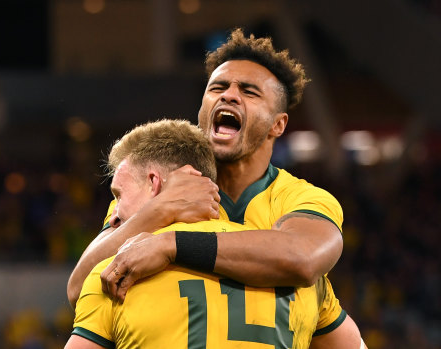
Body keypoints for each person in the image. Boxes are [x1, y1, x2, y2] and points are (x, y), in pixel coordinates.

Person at [67, 28, 366, 348]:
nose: (229, 95)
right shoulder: (155, 189)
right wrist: (161, 209)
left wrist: (171, 244)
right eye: (218, 87)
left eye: (249, 92)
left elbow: (303, 258)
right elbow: (82, 288)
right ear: (202, 110)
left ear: (278, 124)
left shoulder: (301, 198)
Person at [66, 119, 344, 349]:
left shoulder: (117, 271)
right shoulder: (307, 283)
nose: (114, 216)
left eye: (118, 194)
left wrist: (165, 235)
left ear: (154, 182)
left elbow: (76, 289)